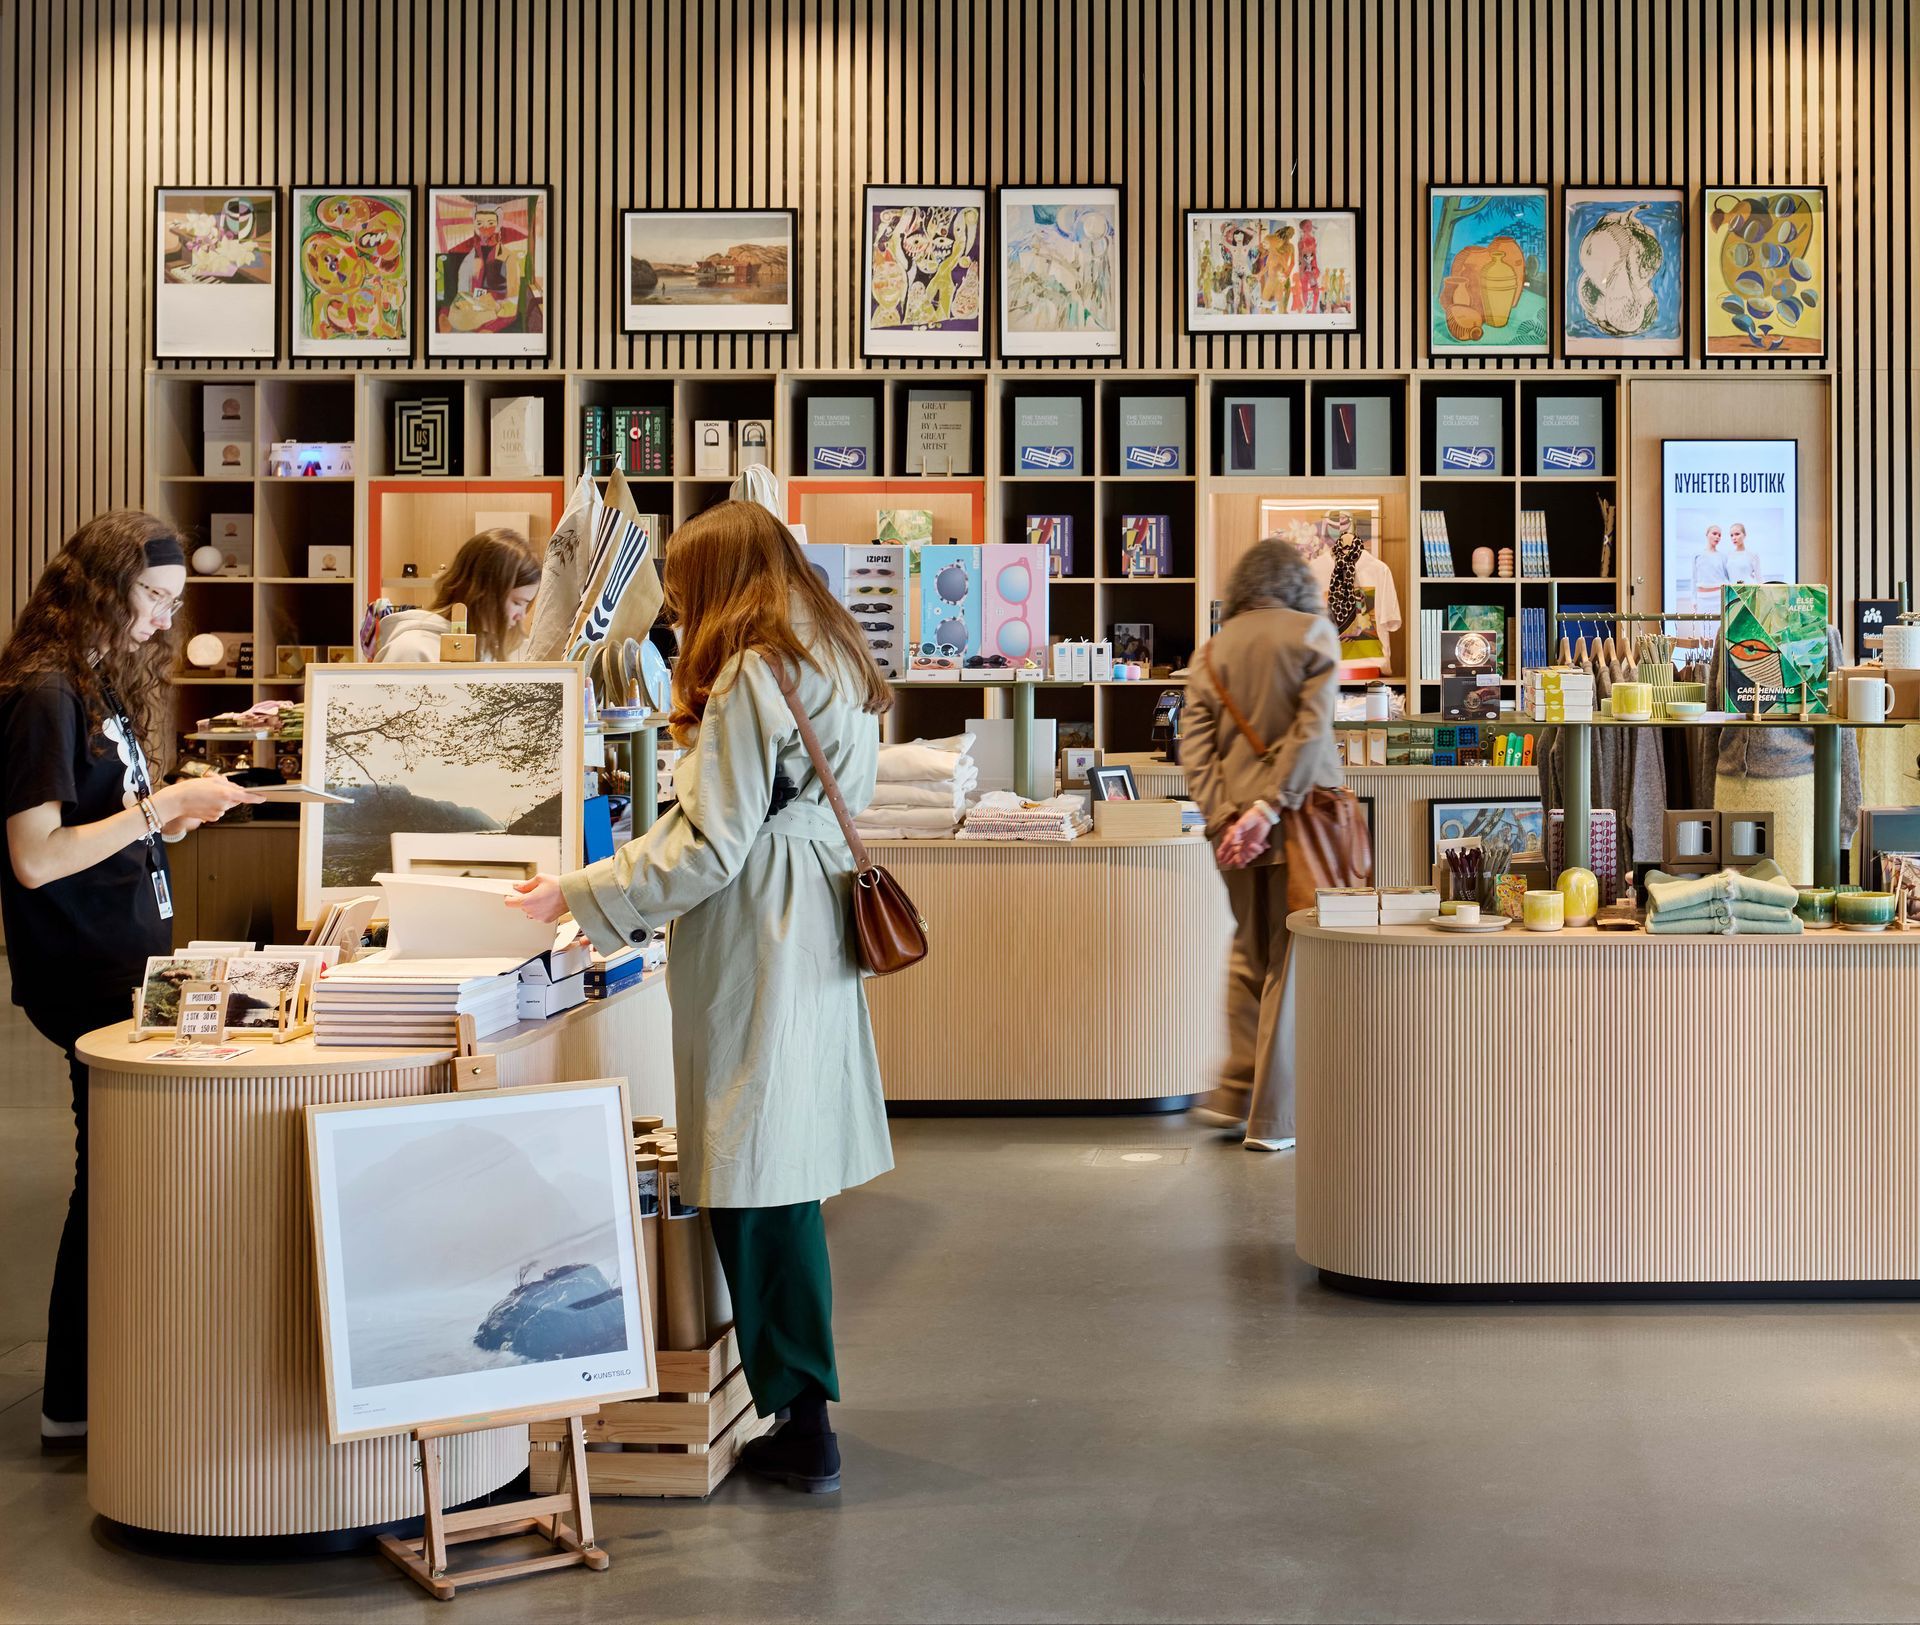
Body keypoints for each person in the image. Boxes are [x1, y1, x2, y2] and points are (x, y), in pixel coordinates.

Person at [506, 500, 893, 1493]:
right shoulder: (832, 655)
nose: (674, 600)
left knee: (752, 1174)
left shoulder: (753, 672)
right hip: (809, 921)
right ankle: (799, 1404)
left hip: (756, 926)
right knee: (782, 1164)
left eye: (681, 581)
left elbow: (709, 845)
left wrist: (582, 893)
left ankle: (802, 1417)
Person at [0, 510, 261, 1452]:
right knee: (107, 1179)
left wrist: (168, 819)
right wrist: (161, 806)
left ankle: (92, 1385)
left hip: (126, 953)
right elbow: (35, 857)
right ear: (106, 590)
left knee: (116, 1173)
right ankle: (74, 1394)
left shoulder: (96, 681)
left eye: (171, 604)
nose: (161, 620)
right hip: (81, 966)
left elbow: (103, 825)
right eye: (153, 600)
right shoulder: (42, 697)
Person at [1179, 537, 1344, 1152]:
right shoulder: (1313, 634)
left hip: (1231, 838)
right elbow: (1311, 729)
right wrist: (1268, 808)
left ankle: (1234, 1090)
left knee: (1249, 950)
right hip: (1297, 821)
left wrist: (1227, 818)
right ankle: (1273, 1122)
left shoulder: (1212, 651)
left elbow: (1194, 748)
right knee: (1289, 959)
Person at [373, 527, 539, 662]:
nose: (521, 616)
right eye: (517, 603)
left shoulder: (486, 650)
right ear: (484, 593)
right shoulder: (412, 651)